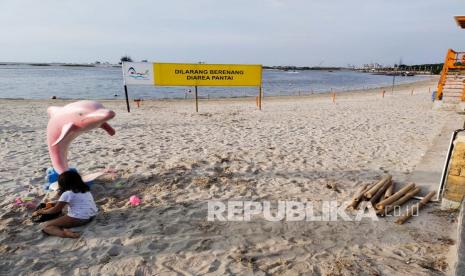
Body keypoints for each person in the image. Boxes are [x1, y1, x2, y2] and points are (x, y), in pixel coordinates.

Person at [33, 171, 98, 238]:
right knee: (62, 218)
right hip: (92, 215)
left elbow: (56, 209)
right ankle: (65, 228)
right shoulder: (85, 190)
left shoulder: (67, 194)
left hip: (79, 218)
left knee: (46, 226)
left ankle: (65, 234)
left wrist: (43, 211)